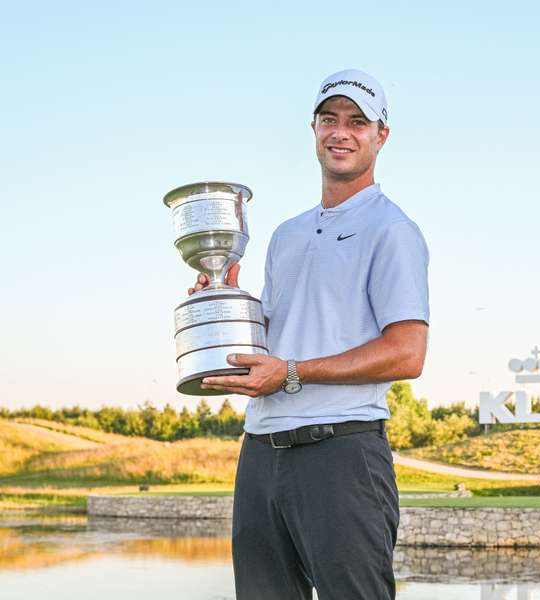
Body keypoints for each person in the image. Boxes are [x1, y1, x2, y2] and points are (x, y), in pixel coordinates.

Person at [191, 68, 429, 600]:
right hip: (261, 452)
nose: (340, 132)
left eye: (356, 122)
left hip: (341, 453)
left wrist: (294, 372)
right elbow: (284, 332)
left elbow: (407, 353)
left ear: (380, 136)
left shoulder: (392, 230)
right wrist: (221, 299)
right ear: (314, 129)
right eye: (329, 120)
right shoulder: (286, 234)